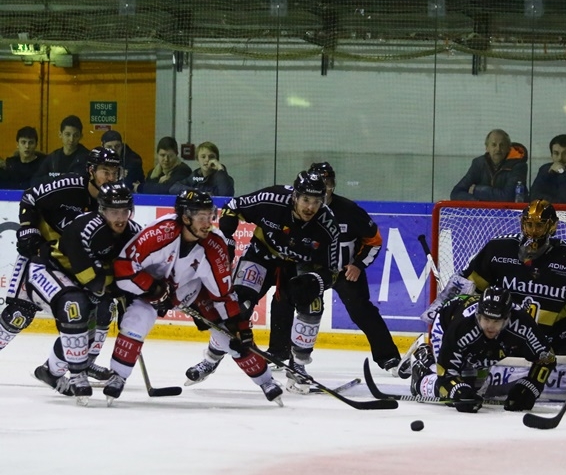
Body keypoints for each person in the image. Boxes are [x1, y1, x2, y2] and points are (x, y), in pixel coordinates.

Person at [104, 189, 283, 405]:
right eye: (201, 217)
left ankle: (266, 381)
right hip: (149, 293)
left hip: (191, 291)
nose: (208, 223)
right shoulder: (160, 233)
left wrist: (239, 324)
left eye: (210, 216)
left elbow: (223, 294)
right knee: (137, 320)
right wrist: (152, 289)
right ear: (185, 217)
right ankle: (118, 376)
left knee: (231, 335)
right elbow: (123, 268)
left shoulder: (214, 244)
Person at [185, 171, 339, 393]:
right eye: (306, 200)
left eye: (316, 202)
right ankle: (210, 360)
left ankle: (299, 369)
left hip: (299, 266)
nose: (310, 207)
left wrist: (316, 281)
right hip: (262, 255)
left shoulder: (328, 225)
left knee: (312, 305)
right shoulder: (272, 199)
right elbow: (233, 205)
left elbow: (333, 271)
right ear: (295, 196)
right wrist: (227, 237)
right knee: (237, 307)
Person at [0, 148, 122, 391]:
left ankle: (81, 364)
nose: (110, 177)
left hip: (77, 266)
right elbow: (30, 197)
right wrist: (28, 226)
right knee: (19, 313)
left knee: (99, 309)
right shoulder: (69, 187)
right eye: (104, 172)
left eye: (114, 172)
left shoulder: (115, 202)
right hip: (44, 257)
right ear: (91, 171)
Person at [420, 199, 566, 356]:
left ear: (553, 226)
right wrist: (444, 311)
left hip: (555, 344)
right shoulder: (498, 249)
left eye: (540, 225)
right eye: (529, 224)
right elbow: (468, 287)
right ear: (521, 223)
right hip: (503, 341)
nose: (533, 231)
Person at [266, 162, 401, 374]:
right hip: (309, 271)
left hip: (343, 273)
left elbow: (374, 240)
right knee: (283, 299)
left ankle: (389, 358)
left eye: (327, 183)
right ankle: (279, 353)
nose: (324, 188)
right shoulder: (298, 210)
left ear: (333, 185)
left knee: (362, 310)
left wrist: (357, 264)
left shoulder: (349, 210)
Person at [33, 182, 142, 402]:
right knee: (75, 306)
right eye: (113, 212)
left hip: (86, 278)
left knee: (100, 315)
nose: (120, 218)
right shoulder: (85, 227)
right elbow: (92, 280)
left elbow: (133, 273)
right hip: (51, 270)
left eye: (124, 211)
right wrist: (120, 285)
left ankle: (50, 371)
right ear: (102, 210)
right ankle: (77, 374)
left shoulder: (134, 232)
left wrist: (129, 299)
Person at [408, 286, 555, 413]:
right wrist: (457, 390)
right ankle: (421, 370)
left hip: (483, 347)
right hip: (446, 325)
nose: (490, 326)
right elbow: (446, 371)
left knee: (474, 389)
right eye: (486, 319)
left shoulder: (523, 325)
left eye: (496, 321)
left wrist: (531, 387)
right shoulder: (462, 326)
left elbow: (546, 359)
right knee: (453, 396)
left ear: (507, 319)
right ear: (478, 315)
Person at [450, 129, 528, 202]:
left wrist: (476, 190)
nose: (498, 149)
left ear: (508, 148)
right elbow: (456, 193)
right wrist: (477, 202)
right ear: (487, 148)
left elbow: (508, 197)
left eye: (502, 145)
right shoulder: (478, 163)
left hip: (510, 213)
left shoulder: (519, 166)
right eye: (494, 145)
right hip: (483, 212)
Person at [31, 115, 91, 186]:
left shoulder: (88, 158)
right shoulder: (53, 158)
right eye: (67, 134)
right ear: (60, 134)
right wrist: (59, 178)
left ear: (81, 136)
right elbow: (35, 181)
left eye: (75, 135)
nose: (71, 139)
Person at [169, 141, 235, 197]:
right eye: (203, 157)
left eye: (211, 157)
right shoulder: (195, 177)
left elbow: (226, 195)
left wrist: (220, 169)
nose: (207, 159)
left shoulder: (225, 179)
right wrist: (198, 193)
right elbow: (174, 189)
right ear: (197, 159)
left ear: (216, 160)